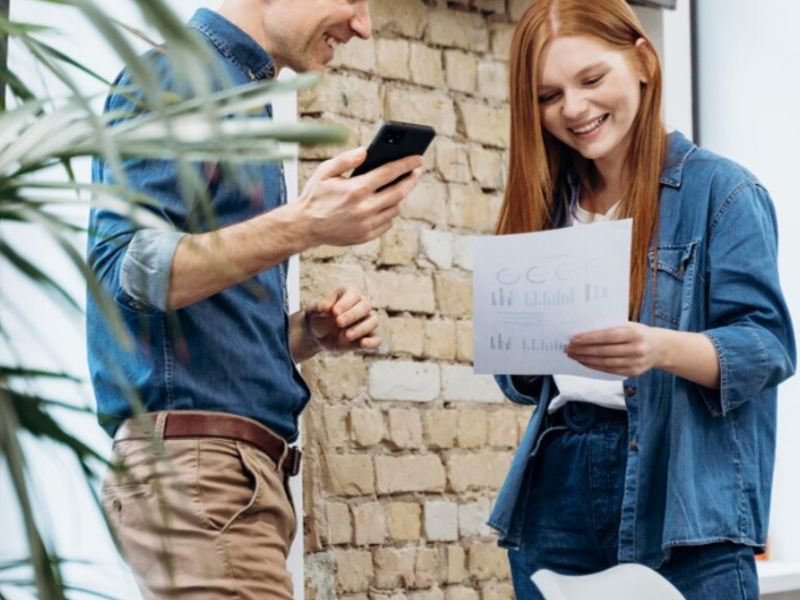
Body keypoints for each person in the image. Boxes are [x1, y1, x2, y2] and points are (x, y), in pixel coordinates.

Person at [88, 1, 422, 599]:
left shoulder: (242, 96)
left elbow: (186, 326)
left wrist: (305, 335)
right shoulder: (181, 76)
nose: (364, 26)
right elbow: (127, 271)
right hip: (202, 476)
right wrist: (305, 224)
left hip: (230, 480)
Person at [487, 1, 796, 599]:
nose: (573, 109)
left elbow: (767, 347)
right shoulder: (549, 205)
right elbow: (520, 380)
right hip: (559, 481)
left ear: (644, 62)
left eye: (592, 79)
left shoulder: (722, 190)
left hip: (681, 490)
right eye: (548, 96)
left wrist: (657, 348)